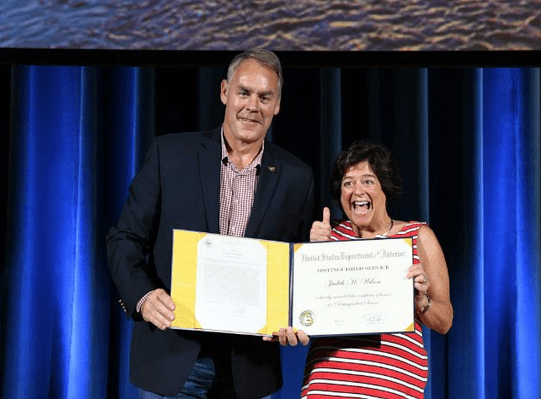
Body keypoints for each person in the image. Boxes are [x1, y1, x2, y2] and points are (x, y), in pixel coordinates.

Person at [106, 48, 314, 399]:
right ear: (224, 92)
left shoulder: (297, 177)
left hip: (250, 369)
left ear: (277, 105)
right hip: (173, 359)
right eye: (243, 92)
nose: (252, 106)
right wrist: (143, 296)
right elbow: (123, 239)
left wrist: (297, 314)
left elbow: (295, 268)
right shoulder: (169, 155)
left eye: (265, 97)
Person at [300, 141, 453, 399]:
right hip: (327, 388)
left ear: (385, 188)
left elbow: (445, 321)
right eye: (348, 183)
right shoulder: (329, 237)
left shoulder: (417, 236)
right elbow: (302, 315)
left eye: (368, 181)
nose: (357, 191)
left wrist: (419, 301)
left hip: (392, 387)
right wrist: (314, 253)